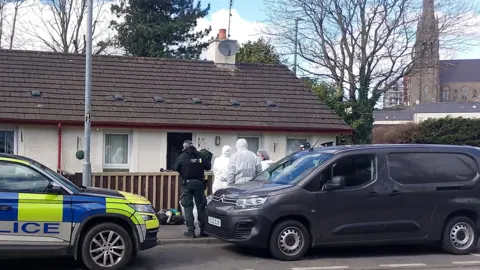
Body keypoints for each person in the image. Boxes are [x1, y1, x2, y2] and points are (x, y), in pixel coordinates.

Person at [174, 140, 211, 238]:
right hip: (199, 184)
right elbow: (208, 166)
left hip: (187, 185)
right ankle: (203, 230)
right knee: (201, 207)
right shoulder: (200, 155)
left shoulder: (182, 156)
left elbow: (175, 167)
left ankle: (191, 231)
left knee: (187, 207)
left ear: (184, 147)